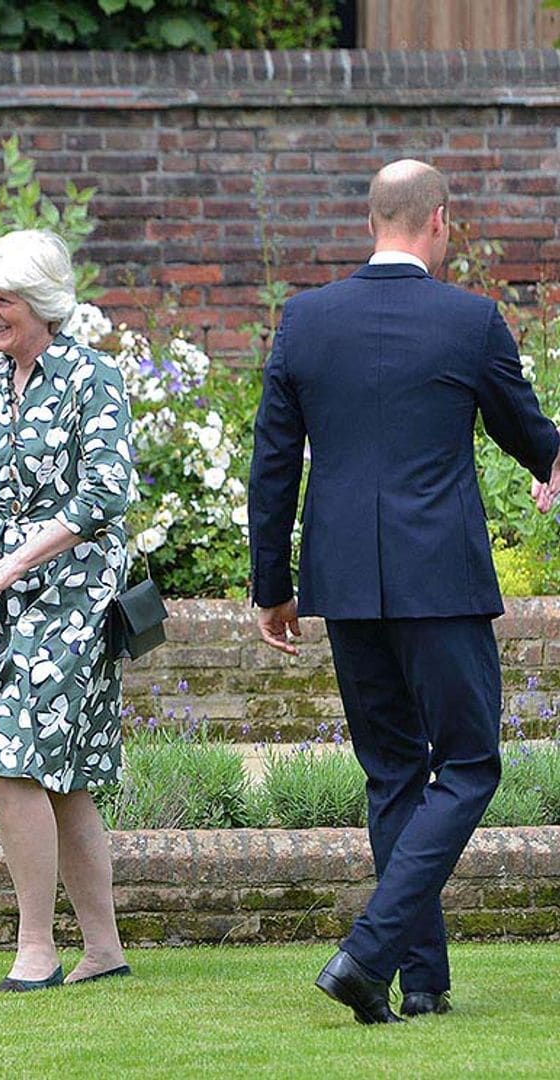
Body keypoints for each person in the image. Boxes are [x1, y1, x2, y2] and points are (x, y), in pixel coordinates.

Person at [248, 160, 560, 1024]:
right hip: (441, 582)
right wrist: (551, 461)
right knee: (467, 765)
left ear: (372, 221)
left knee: (393, 774)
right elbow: (522, 426)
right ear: (439, 222)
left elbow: (272, 464)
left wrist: (271, 587)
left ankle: (420, 981)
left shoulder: (306, 322)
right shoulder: (469, 320)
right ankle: (372, 952)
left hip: (344, 584)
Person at [0, 229, 133, 991]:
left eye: (3, 299)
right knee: (65, 777)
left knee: (10, 757)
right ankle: (104, 948)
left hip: (75, 592)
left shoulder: (94, 377)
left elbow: (106, 493)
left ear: (42, 304)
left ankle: (36, 946)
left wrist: (10, 564)